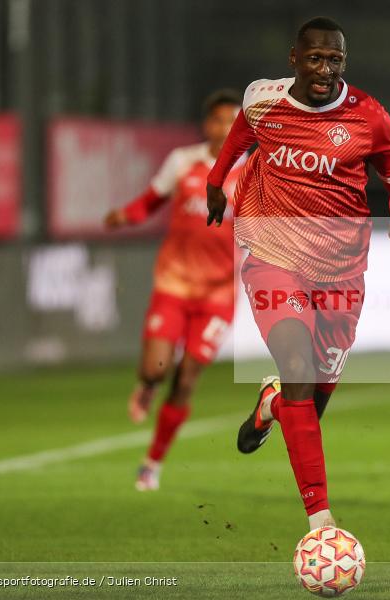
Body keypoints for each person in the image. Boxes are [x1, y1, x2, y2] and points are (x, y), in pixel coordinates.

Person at [205, 16, 390, 532]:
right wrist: (217, 182)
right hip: (271, 253)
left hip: (341, 269)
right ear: (294, 60)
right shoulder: (263, 99)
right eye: (314, 59)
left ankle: (272, 404)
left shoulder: (369, 118)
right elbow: (241, 132)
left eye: (334, 60)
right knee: (299, 370)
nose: (324, 69)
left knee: (310, 400)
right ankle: (321, 525)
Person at [104, 89, 245, 491]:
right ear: (206, 124)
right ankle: (146, 385)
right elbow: (151, 201)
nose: (224, 128)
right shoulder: (183, 162)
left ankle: (152, 462)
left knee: (186, 378)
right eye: (218, 120)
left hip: (219, 294)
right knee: (156, 368)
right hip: (174, 283)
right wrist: (124, 215)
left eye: (233, 121)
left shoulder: (253, 173)